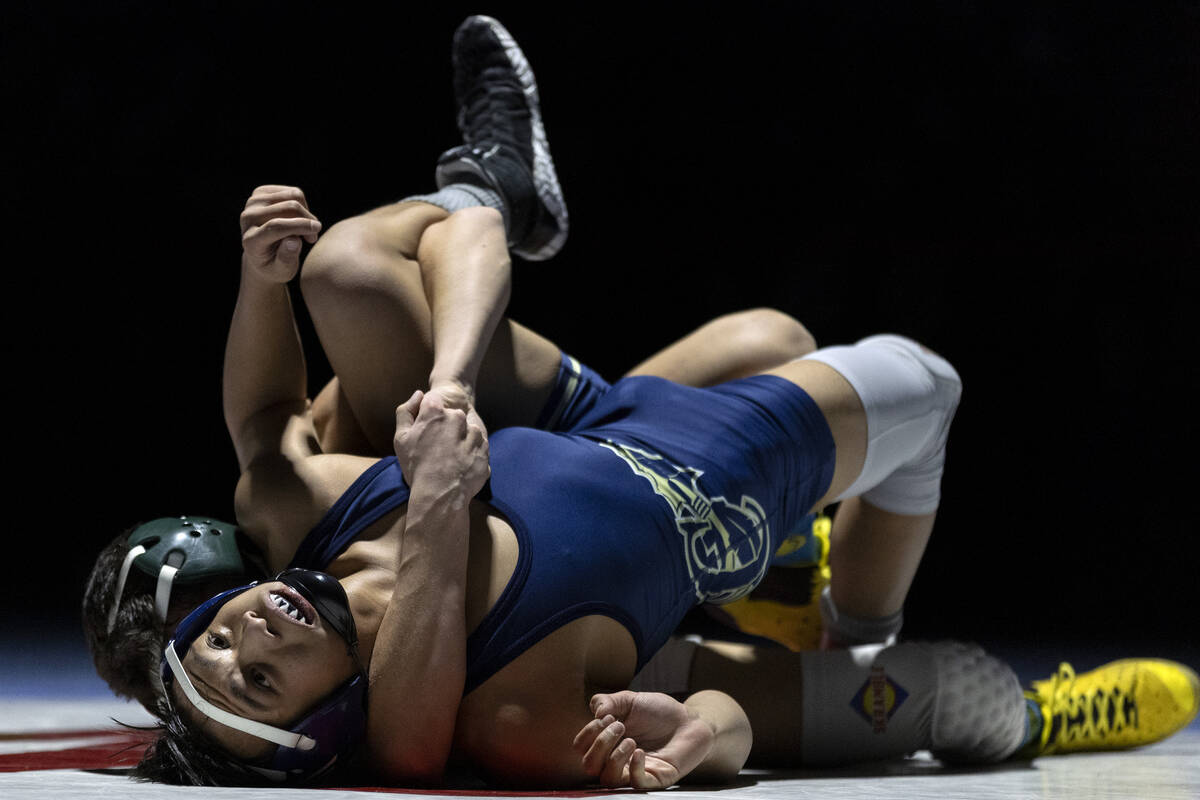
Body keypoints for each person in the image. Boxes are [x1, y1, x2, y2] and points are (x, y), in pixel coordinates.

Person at [122, 15, 1199, 790]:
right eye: (258, 678)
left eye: (216, 637)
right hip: (690, 484)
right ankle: (907, 651)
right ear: (324, 721)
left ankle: (487, 176)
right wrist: (702, 742)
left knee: (347, 272)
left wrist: (267, 283)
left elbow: (264, 423)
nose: (247, 631)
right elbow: (715, 726)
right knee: (939, 645)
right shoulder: (514, 716)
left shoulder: (320, 504)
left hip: (597, 438)